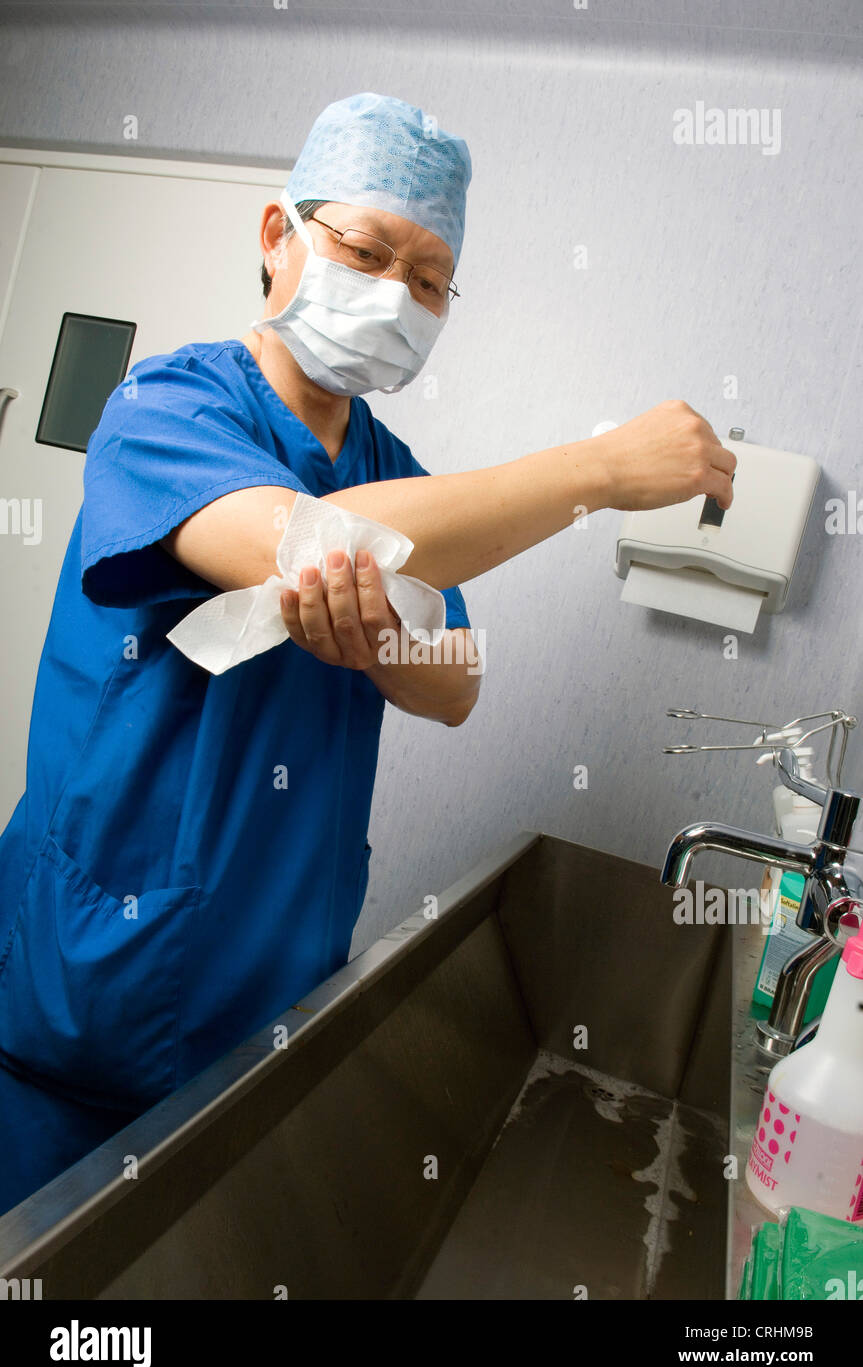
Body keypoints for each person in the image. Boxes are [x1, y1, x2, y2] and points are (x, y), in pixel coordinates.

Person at [0, 92, 736, 1219]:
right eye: (364, 250)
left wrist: (393, 642)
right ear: (274, 237)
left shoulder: (397, 470)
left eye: (430, 277)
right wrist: (595, 470)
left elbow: (456, 680)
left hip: (275, 990)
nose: (396, 294)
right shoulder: (166, 405)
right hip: (88, 998)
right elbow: (303, 543)